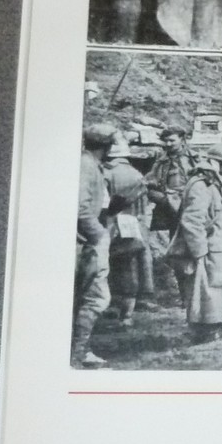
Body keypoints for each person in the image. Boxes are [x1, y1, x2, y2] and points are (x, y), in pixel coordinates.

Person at [173, 158, 222, 343]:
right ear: (214, 162)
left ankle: (211, 332)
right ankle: (209, 334)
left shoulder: (210, 182)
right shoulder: (201, 185)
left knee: (214, 292)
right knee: (207, 294)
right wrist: (199, 251)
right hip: (209, 250)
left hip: (216, 248)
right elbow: (192, 220)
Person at [72, 122, 118, 368]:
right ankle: (77, 356)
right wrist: (98, 235)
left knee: (84, 297)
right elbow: (80, 208)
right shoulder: (87, 167)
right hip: (88, 241)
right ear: (106, 146)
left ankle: (80, 351)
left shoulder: (90, 164)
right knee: (96, 297)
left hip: (87, 239)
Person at [103, 138, 155, 326]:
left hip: (110, 226)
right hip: (134, 225)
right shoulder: (136, 174)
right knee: (131, 267)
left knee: (108, 266)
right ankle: (127, 314)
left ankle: (110, 307)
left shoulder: (106, 174)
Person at [145, 125, 197, 296]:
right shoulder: (160, 162)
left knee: (198, 249)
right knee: (178, 252)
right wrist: (163, 199)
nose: (168, 144)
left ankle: (198, 291)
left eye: (172, 140)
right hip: (172, 213)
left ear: (182, 140)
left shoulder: (195, 159)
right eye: (165, 140)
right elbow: (148, 186)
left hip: (195, 211)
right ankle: (184, 293)